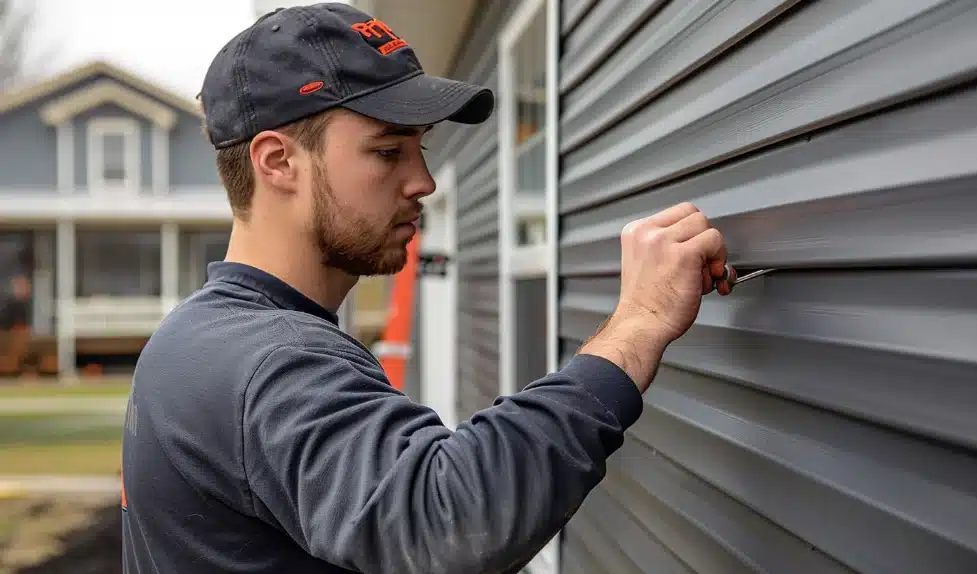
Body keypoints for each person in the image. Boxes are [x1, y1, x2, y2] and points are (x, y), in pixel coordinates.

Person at [120, 3, 733, 574]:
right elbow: (451, 519)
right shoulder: (273, 358)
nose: (425, 182)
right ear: (278, 162)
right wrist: (639, 321)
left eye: (421, 149)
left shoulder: (196, 338)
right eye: (387, 151)